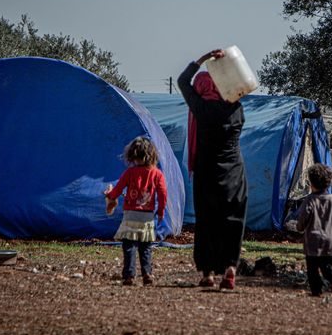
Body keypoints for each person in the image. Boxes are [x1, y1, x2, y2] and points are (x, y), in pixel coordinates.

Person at [177, 49, 248, 290]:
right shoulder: (236, 109)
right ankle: (229, 268)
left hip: (206, 171)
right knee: (233, 220)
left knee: (206, 221)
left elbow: (182, 81)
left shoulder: (201, 109)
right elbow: (240, 84)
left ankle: (207, 273)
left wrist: (202, 59)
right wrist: (227, 69)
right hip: (234, 173)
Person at [103, 137, 168, 286]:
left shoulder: (129, 173)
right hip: (147, 216)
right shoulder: (157, 174)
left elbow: (118, 190)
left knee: (129, 246)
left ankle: (129, 275)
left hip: (130, 215)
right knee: (146, 247)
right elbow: (163, 193)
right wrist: (161, 211)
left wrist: (110, 196)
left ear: (133, 155)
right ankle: (147, 273)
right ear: (151, 155)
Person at [296, 163, 332, 297]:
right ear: (328, 183)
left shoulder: (309, 200)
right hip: (330, 241)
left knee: (312, 269)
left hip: (312, 242)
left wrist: (299, 227)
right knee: (328, 266)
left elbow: (303, 217)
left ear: (311, 183)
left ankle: (316, 291)